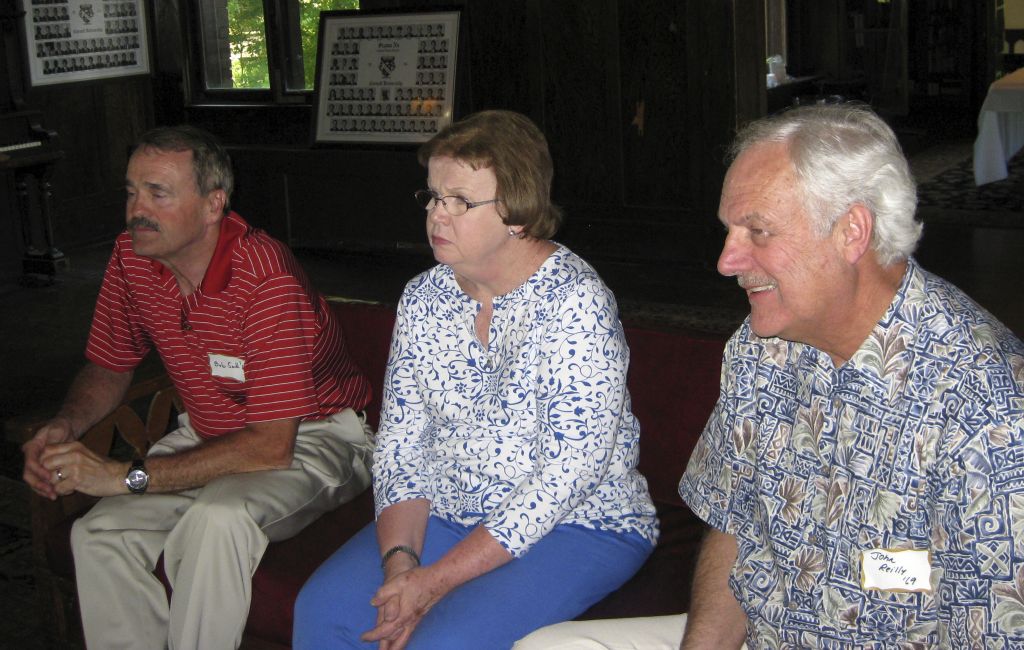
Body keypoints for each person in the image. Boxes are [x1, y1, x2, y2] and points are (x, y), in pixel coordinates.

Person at [515, 103, 1024, 649]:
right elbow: (735, 520)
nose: (726, 261)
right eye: (729, 230)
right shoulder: (761, 347)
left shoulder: (987, 408)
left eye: (757, 231)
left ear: (852, 232)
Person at [293, 109, 658, 650]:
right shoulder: (424, 297)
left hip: (578, 524)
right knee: (321, 611)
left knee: (443, 642)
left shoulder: (576, 303)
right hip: (448, 509)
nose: (437, 216)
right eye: (433, 197)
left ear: (516, 211)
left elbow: (565, 475)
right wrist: (400, 567)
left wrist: (436, 583)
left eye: (460, 201)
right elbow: (400, 445)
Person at [22, 125, 375, 650]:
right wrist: (65, 424)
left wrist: (125, 476)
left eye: (157, 193)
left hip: (313, 436)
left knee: (218, 519)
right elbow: (110, 366)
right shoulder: (131, 257)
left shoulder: (264, 277)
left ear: (214, 205)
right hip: (207, 432)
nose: (135, 210)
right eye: (131, 191)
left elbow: (270, 446)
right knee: (95, 535)